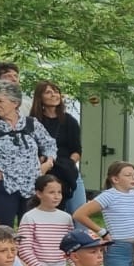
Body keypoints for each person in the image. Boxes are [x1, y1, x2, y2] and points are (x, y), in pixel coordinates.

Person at [0, 80, 57, 227]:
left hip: (31, 188)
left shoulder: (32, 124)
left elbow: (50, 144)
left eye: (0, 101)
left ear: (15, 103)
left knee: (30, 232)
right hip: (1, 188)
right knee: (2, 232)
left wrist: (48, 162)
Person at [74, 161, 134, 266]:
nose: (133, 178)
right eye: (128, 175)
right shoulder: (108, 195)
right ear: (115, 179)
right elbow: (79, 215)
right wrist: (102, 232)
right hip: (118, 246)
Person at [29, 80, 83, 213]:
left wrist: (69, 164)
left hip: (67, 170)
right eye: (48, 92)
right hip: (44, 172)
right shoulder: (32, 122)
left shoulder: (69, 120)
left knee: (78, 212)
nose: (54, 95)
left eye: (56, 91)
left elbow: (77, 150)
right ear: (39, 97)